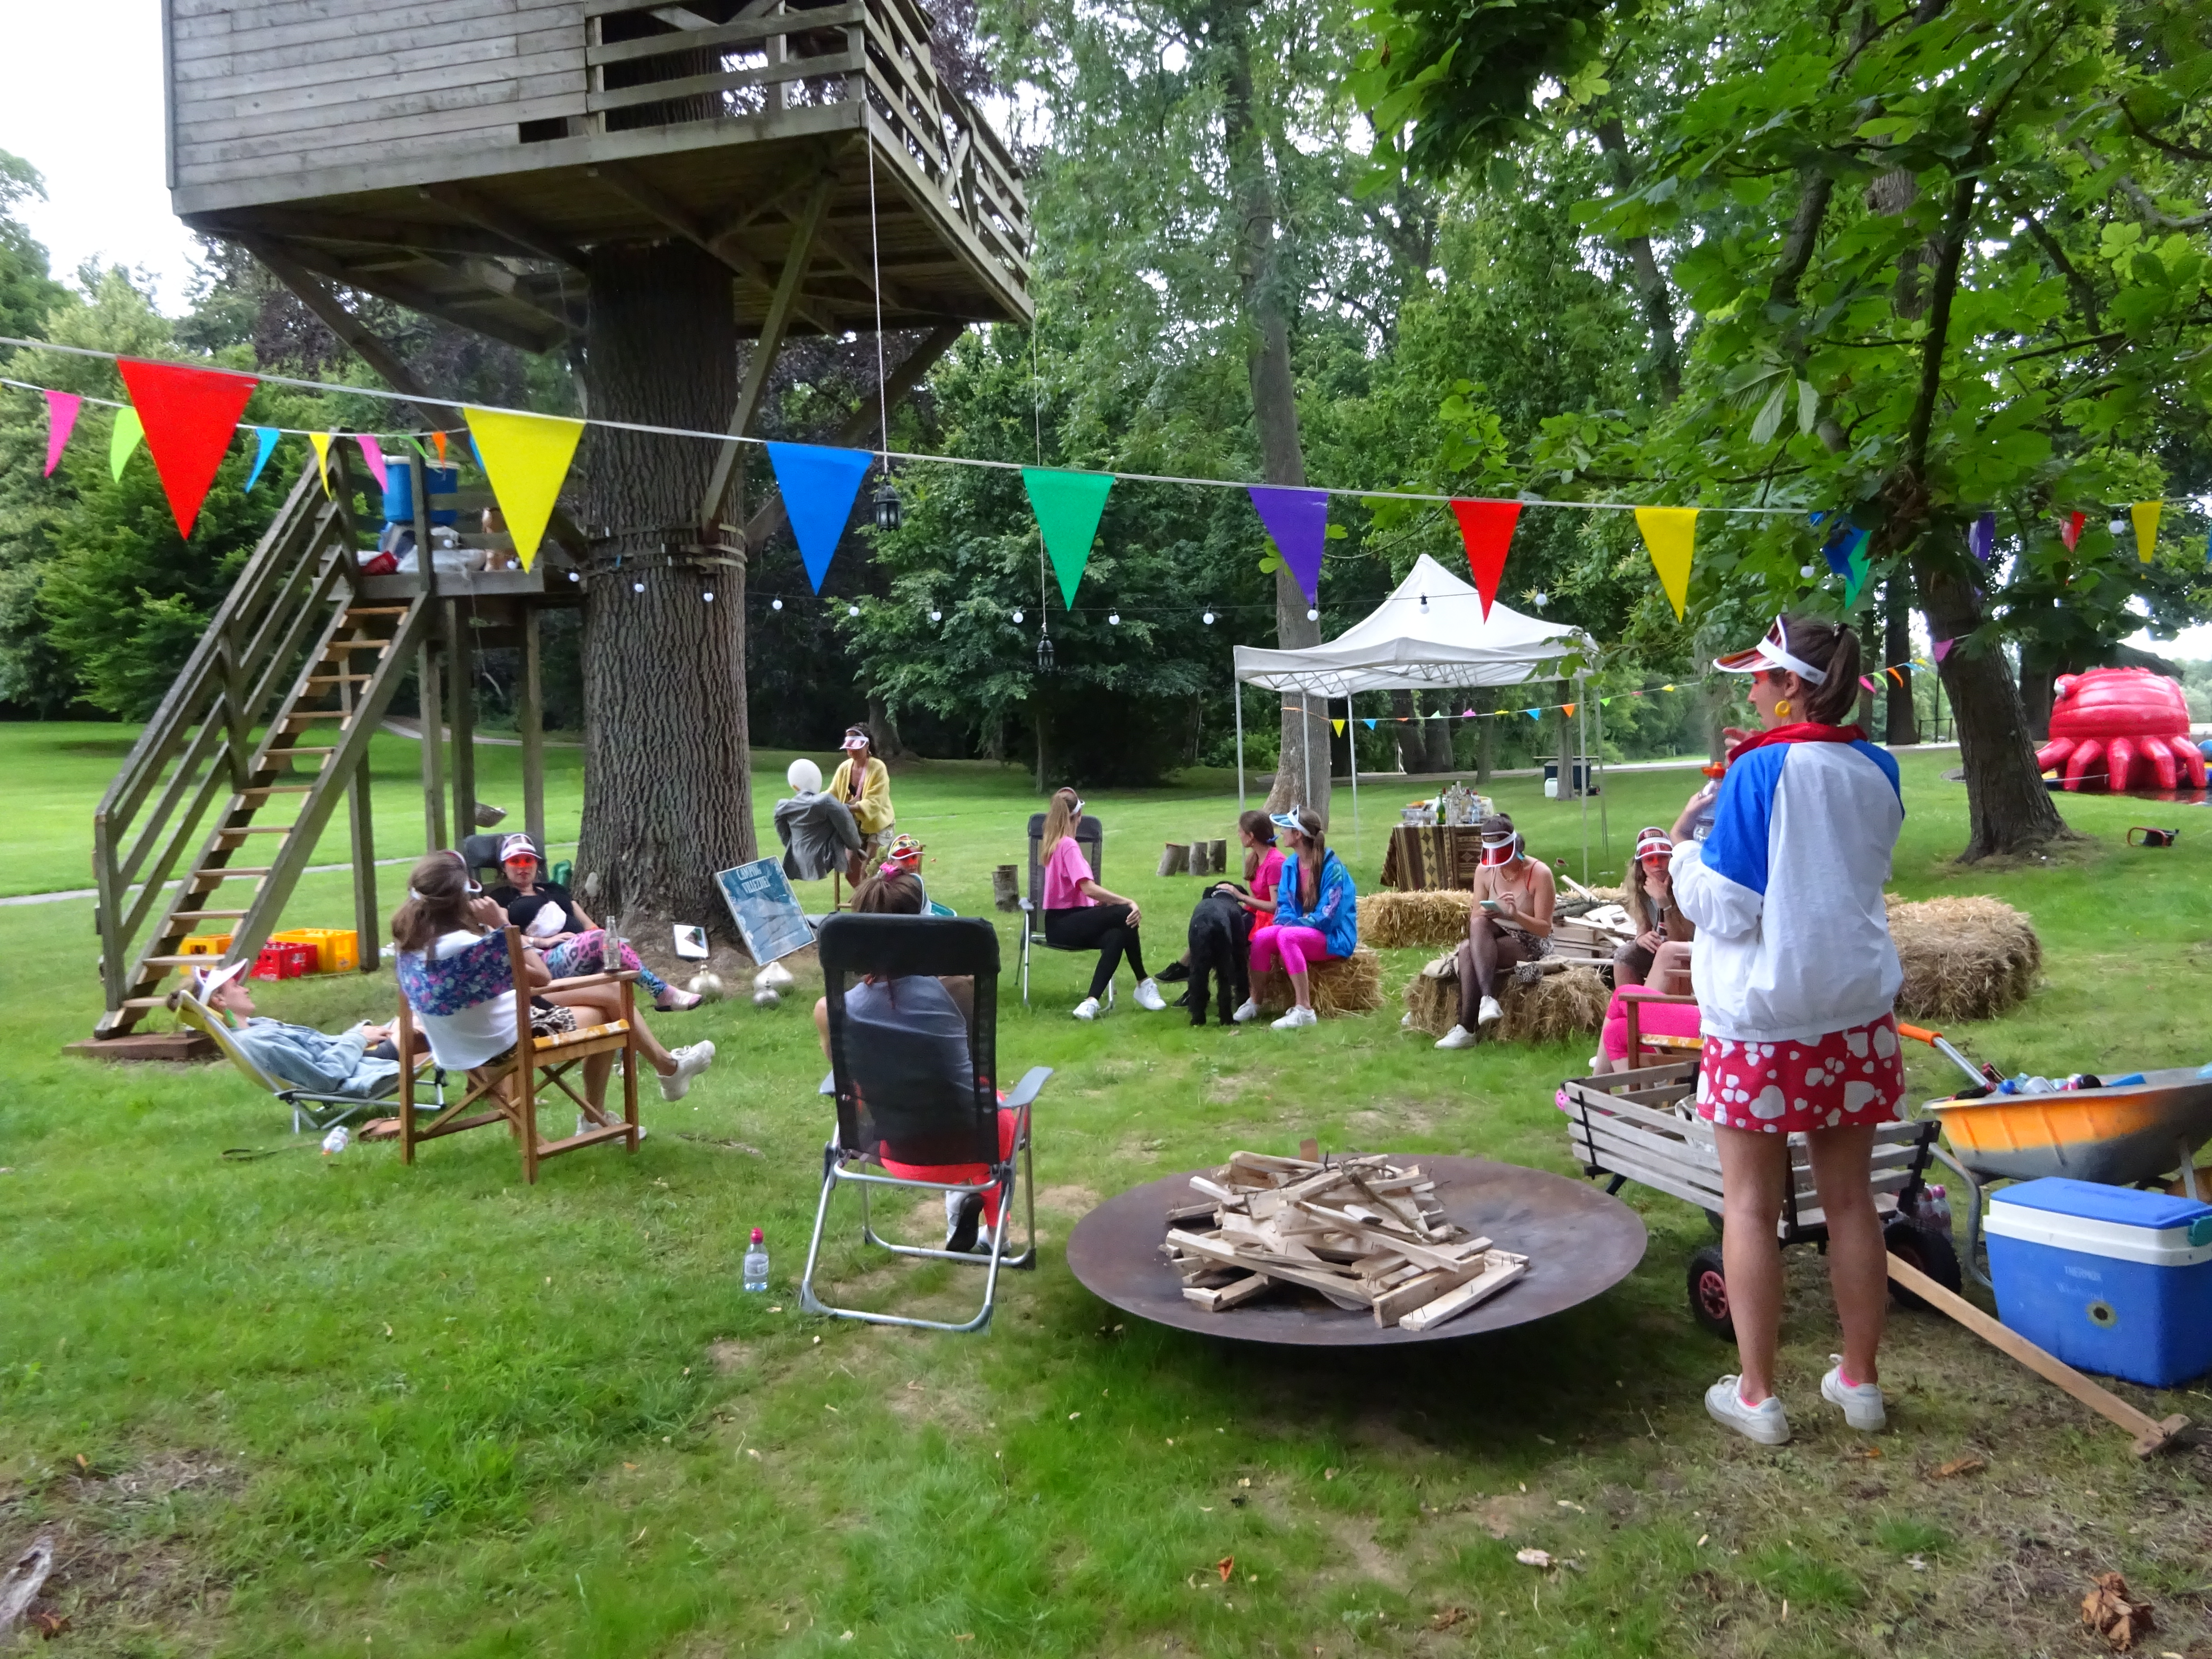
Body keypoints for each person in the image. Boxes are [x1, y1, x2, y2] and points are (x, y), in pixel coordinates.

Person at [1671, 614, 1905, 1446]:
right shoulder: (1878, 766)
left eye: (1762, 677)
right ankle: (1860, 1381)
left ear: (1792, 687)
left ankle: (1759, 1393)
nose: (1752, 689)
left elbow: (1728, 907)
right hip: (1854, 1014)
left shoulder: (1760, 768)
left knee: (1749, 1204)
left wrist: (1677, 851)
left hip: (1763, 1022)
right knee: (1851, 1204)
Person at [394, 852, 714, 1124]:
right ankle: (635, 1091)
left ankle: (665, 1071)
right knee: (609, 1011)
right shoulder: (467, 946)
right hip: (506, 1044)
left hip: (459, 1046)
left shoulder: (410, 945)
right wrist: (502, 926)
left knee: (610, 994)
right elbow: (541, 975)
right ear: (462, 901)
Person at [811, 871, 1012, 1252]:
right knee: (999, 1107)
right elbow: (960, 1073)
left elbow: (853, 1077)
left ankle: (959, 1207)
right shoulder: (958, 990)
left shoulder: (830, 1011)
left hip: (892, 1148)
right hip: (973, 1146)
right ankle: (993, 1232)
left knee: (915, 1096)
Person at [484, 833, 700, 1012]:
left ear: (536, 864)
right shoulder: (502, 898)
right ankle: (663, 993)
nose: (523, 867)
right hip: (544, 963)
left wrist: (604, 943)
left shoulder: (555, 891)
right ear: (504, 867)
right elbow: (503, 936)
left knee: (614, 971)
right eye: (515, 861)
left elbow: (590, 927)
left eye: (527, 860)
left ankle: (622, 1057)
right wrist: (542, 941)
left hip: (582, 951)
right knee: (599, 941)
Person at [171, 959, 403, 1099]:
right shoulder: (259, 1041)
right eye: (236, 986)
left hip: (355, 1058)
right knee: (420, 1026)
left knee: (416, 1018)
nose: (246, 990)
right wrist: (357, 1039)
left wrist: (359, 1036)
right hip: (360, 1071)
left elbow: (320, 1051)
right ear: (220, 1001)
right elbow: (325, 1079)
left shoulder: (257, 1026)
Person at [1036, 787, 1168, 1019]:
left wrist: (1094, 904)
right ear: (1079, 816)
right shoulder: (1068, 845)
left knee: (1117, 935)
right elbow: (1087, 887)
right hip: (1066, 923)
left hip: (1059, 926)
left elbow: (1073, 891)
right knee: (1126, 912)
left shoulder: (1053, 844)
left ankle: (1091, 1002)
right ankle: (1144, 983)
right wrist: (1128, 901)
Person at [1434, 814, 1557, 1049]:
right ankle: (1487, 1000)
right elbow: (1475, 918)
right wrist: (1492, 912)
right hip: (1495, 934)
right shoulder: (1485, 871)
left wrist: (1514, 915)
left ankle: (1466, 1028)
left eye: (1502, 856)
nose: (1498, 863)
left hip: (1531, 941)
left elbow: (1544, 929)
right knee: (1474, 935)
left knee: (1467, 951)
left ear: (1513, 847)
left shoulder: (1540, 873)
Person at [1234, 806, 1356, 1031]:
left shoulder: (1334, 868)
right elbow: (1284, 908)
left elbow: (1329, 917)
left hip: (1333, 936)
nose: (1281, 832)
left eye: (1285, 828)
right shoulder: (1291, 865)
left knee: (1287, 937)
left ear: (1298, 835)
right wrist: (1293, 922)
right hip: (1302, 929)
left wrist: (1294, 924)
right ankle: (1256, 1001)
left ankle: (1304, 1010)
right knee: (1261, 937)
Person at [773, 757, 862, 882]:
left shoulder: (783, 807)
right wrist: (855, 845)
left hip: (797, 857)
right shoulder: (825, 801)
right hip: (824, 859)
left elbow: (785, 837)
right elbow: (848, 830)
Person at [828, 725, 896, 883]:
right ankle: (865, 901)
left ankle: (872, 903)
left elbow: (875, 802)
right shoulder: (844, 768)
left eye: (856, 747)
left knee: (869, 872)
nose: (851, 751)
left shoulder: (878, 767)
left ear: (867, 745)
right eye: (849, 747)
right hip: (856, 826)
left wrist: (847, 808)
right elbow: (832, 793)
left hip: (879, 826)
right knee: (850, 872)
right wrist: (817, 802)